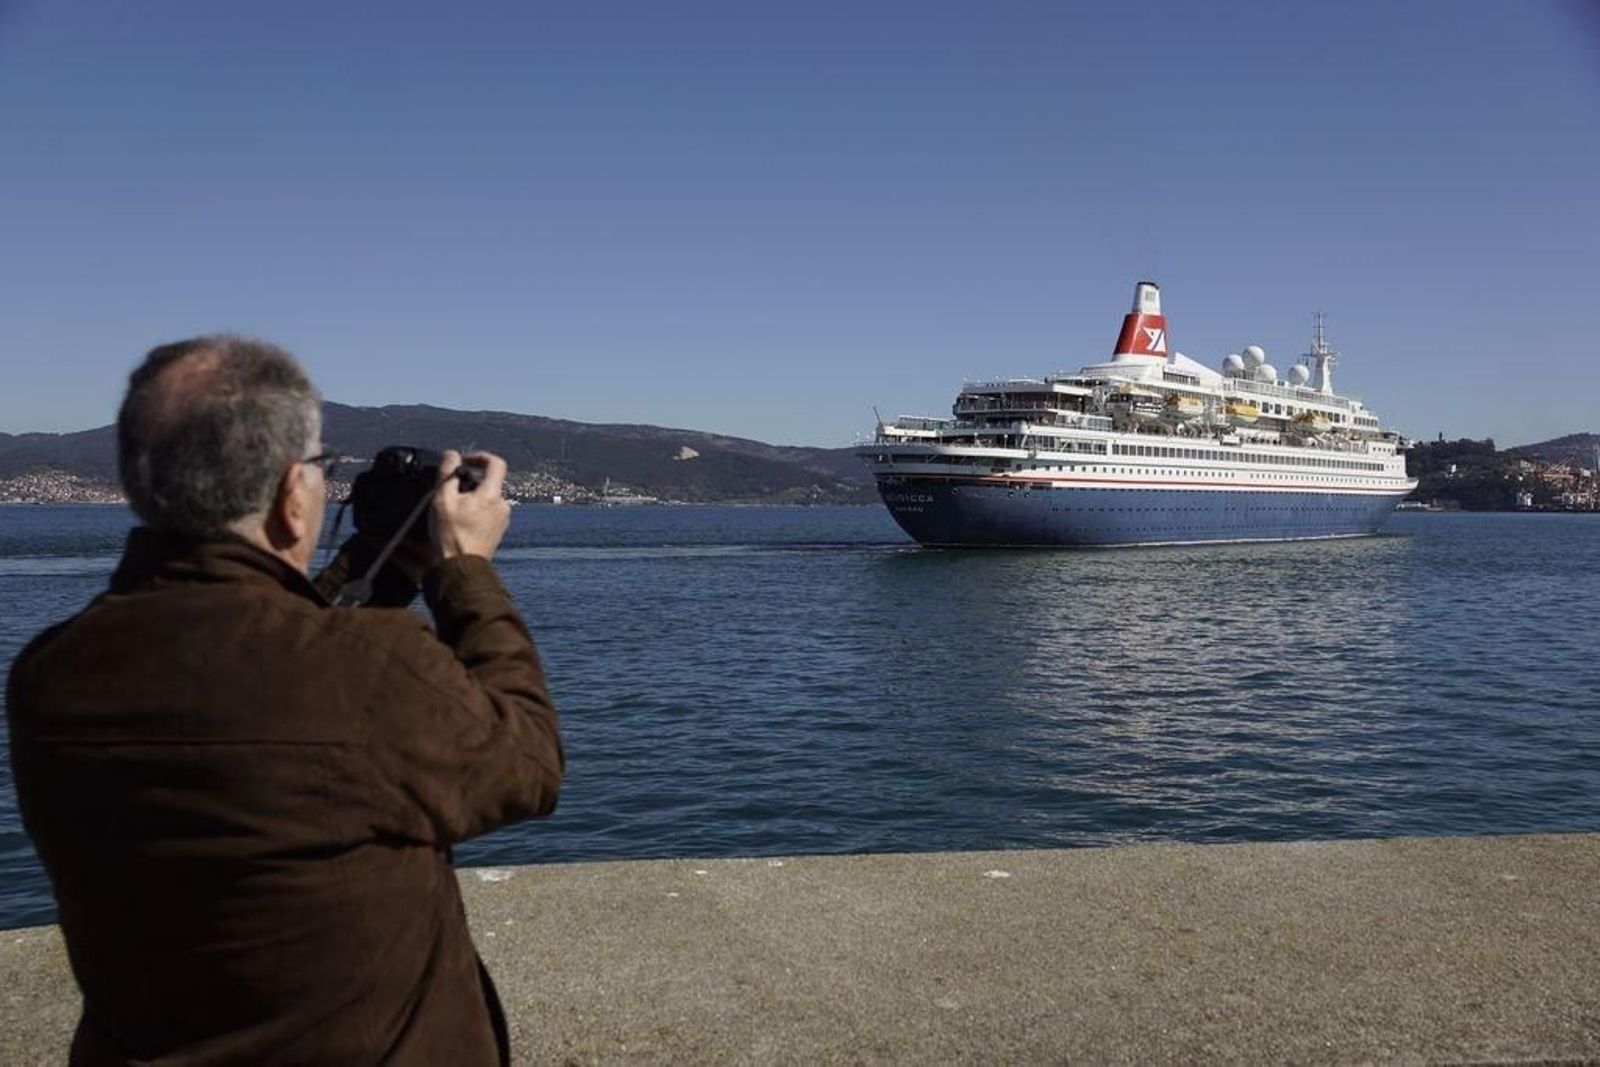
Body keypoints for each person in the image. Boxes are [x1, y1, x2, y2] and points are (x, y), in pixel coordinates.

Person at [6, 336, 564, 1064]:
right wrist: (462, 570)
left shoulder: (51, 672)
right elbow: (528, 760)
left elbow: (270, 672)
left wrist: (374, 566)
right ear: (294, 494)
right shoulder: (366, 671)